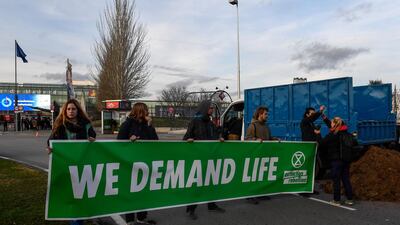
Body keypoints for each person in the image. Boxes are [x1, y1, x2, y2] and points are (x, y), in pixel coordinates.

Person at [47, 99, 96, 225]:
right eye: (68, 109)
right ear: (65, 110)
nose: (71, 111)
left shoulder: (86, 124)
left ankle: (78, 219)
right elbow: (50, 141)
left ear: (78, 110)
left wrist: (92, 139)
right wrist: (50, 148)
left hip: (82, 164)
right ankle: (75, 219)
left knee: (81, 194)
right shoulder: (60, 124)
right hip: (66, 165)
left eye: (73, 109)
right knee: (72, 194)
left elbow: (93, 137)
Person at [183, 100, 225, 220]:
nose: (212, 110)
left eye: (212, 108)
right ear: (204, 108)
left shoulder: (210, 123)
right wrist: (189, 140)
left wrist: (220, 136)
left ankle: (211, 205)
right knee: (198, 184)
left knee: (211, 183)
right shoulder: (195, 121)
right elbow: (185, 138)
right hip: (199, 158)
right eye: (210, 108)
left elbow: (217, 133)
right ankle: (190, 209)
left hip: (211, 157)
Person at [117, 102, 158, 225]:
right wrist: (129, 140)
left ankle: (141, 217)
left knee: (143, 192)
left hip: (145, 162)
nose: (147, 113)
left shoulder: (147, 124)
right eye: (145, 110)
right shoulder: (128, 123)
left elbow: (155, 141)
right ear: (139, 111)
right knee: (131, 191)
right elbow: (119, 141)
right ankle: (130, 220)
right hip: (130, 163)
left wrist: (150, 125)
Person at [316, 117, 354, 206]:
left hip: (336, 161)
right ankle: (350, 199)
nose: (331, 124)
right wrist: (325, 119)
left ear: (334, 124)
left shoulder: (332, 135)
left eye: (332, 122)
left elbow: (321, 143)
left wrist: (318, 134)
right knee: (346, 179)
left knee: (336, 180)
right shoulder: (347, 134)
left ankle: (337, 200)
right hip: (346, 160)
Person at [245, 106, 275, 204]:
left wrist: (276, 139)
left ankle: (260, 194)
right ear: (260, 114)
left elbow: (269, 138)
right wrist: (255, 140)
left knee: (262, 175)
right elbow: (247, 139)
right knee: (253, 176)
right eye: (266, 114)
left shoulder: (266, 126)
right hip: (255, 155)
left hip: (264, 155)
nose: (267, 116)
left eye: (267, 114)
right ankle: (249, 195)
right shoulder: (252, 126)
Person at [299, 106, 329, 196]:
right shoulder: (304, 121)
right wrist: (319, 112)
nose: (313, 115)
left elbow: (316, 135)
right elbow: (312, 118)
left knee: (312, 170)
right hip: (307, 148)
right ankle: (302, 190)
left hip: (313, 148)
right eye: (311, 113)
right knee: (306, 170)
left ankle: (309, 188)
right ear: (307, 114)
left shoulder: (312, 124)